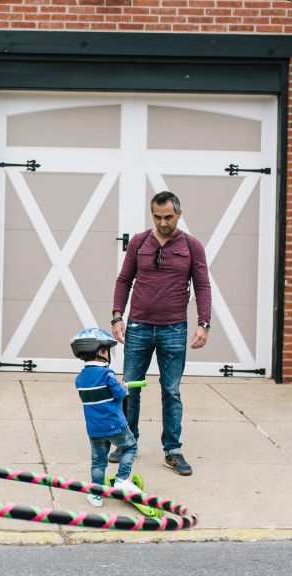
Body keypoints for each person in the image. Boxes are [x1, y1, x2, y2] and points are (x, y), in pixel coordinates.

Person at [111, 191, 211, 476]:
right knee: (130, 387)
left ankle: (173, 449)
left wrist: (204, 323)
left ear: (179, 214)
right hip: (139, 327)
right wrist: (117, 315)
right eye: (157, 217)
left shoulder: (192, 246)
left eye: (168, 217)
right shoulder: (140, 243)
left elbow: (203, 286)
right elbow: (123, 280)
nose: (163, 222)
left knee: (171, 391)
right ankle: (127, 443)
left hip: (174, 329)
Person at [71, 328, 140, 507]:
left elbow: (96, 396)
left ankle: (96, 494)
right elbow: (119, 394)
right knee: (130, 447)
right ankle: (122, 479)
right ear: (101, 351)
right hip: (115, 425)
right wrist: (123, 386)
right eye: (107, 350)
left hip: (94, 429)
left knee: (99, 461)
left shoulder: (79, 379)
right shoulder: (107, 374)